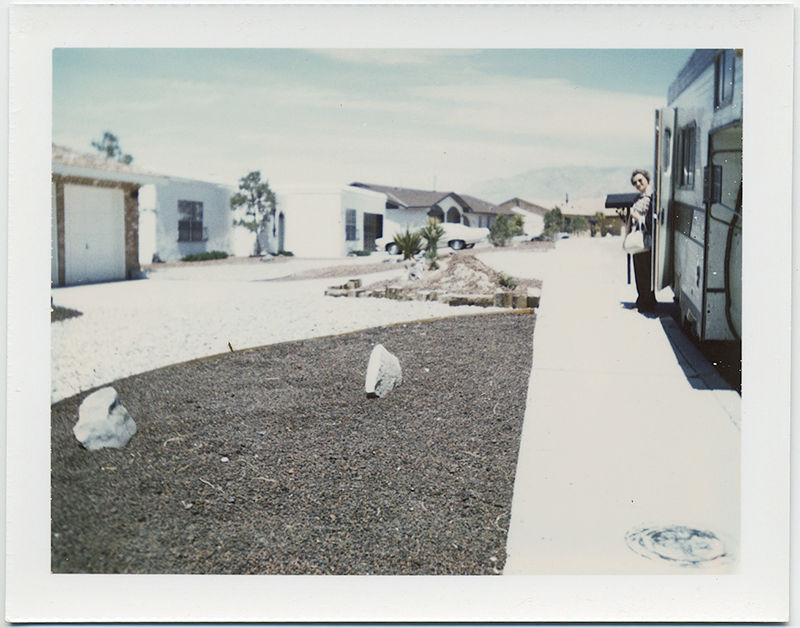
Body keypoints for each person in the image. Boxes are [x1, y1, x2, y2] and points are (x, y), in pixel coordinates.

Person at [628, 168, 656, 313]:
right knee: (641, 270)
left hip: (645, 239)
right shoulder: (641, 197)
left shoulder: (651, 197)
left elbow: (651, 219)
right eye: (635, 183)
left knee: (643, 271)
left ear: (646, 179)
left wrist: (636, 217)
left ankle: (644, 303)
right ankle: (646, 300)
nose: (638, 184)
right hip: (639, 238)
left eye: (640, 180)